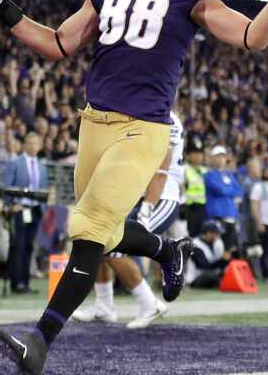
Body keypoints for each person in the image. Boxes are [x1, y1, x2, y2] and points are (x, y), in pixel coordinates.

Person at [0, 0, 268, 375]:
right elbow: (60, 43)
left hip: (144, 128)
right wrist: (2, 7)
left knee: (87, 228)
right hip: (94, 123)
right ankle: (168, 250)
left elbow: (254, 36)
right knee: (103, 232)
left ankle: (39, 343)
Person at [72, 111, 185, 329]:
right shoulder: (135, 111)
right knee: (97, 237)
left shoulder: (163, 117)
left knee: (113, 246)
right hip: (135, 194)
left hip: (161, 197)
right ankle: (104, 306)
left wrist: (147, 207)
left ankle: (149, 303)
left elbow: (161, 170)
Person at [0, 132, 48, 295]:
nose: (33, 146)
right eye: (30, 143)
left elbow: (44, 190)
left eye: (36, 143)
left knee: (29, 247)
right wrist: (10, 205)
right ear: (24, 145)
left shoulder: (42, 166)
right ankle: (16, 283)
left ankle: (25, 282)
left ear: (40, 146)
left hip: (35, 210)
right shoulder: (14, 163)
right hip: (19, 209)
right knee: (17, 246)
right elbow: (5, 187)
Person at [204, 146, 243, 253]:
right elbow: (220, 190)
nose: (221, 159)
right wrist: (230, 190)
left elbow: (239, 190)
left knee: (229, 249)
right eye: (218, 156)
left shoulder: (230, 175)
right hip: (217, 216)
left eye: (223, 156)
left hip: (231, 215)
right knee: (217, 247)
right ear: (212, 158)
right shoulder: (209, 175)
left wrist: (227, 189)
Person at [186, 220, 230, 289]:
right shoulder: (195, 245)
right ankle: (223, 284)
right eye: (216, 233)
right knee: (211, 276)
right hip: (195, 279)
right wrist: (222, 260)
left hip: (210, 274)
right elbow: (204, 266)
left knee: (228, 270)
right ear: (208, 233)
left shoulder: (216, 243)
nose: (218, 236)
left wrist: (227, 260)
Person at [183, 136, 207, 237]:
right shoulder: (183, 169)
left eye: (200, 153)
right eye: (195, 153)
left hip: (202, 209)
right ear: (188, 155)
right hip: (188, 209)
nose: (198, 156)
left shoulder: (205, 170)